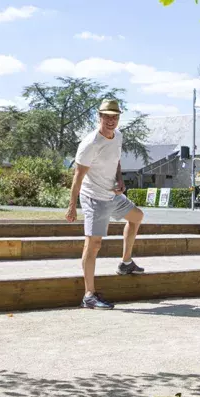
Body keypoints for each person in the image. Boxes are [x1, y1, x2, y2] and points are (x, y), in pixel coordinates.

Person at [65, 99, 145, 310]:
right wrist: (72, 206)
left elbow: (116, 160)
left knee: (137, 216)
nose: (111, 120)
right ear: (99, 117)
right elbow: (77, 177)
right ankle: (89, 295)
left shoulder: (118, 136)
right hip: (94, 198)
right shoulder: (90, 143)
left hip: (112, 195)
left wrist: (120, 179)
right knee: (93, 244)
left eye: (115, 116)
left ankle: (125, 263)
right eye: (107, 116)